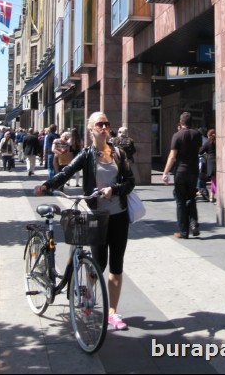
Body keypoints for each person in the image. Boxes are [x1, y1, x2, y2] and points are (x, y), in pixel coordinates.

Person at [34, 111, 135, 331]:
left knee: (116, 265)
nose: (105, 127)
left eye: (107, 123)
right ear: (91, 129)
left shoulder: (118, 153)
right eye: (100, 124)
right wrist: (47, 186)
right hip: (97, 217)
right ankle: (88, 296)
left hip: (119, 216)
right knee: (98, 263)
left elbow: (130, 182)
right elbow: (67, 172)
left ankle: (112, 313)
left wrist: (113, 189)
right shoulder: (86, 154)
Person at [162, 112, 202, 239]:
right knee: (191, 197)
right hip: (194, 170)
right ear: (192, 122)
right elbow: (198, 149)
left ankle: (183, 232)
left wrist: (165, 172)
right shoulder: (197, 134)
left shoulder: (177, 135)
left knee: (180, 201)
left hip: (180, 171)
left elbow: (172, 156)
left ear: (180, 122)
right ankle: (194, 223)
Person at [199, 129, 217, 203]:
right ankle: (212, 196)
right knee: (214, 181)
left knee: (214, 180)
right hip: (218, 161)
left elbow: (200, 151)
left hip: (211, 163)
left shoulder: (208, 143)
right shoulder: (218, 142)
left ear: (209, 135)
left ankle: (216, 197)